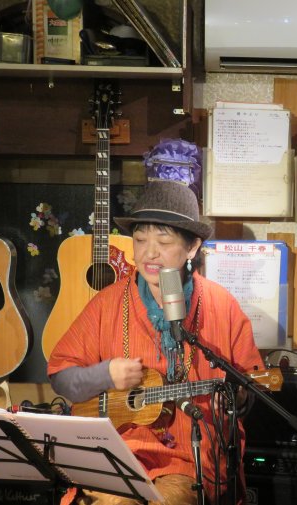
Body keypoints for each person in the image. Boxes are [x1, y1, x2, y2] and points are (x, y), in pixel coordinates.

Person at [47, 178, 265, 505]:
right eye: (140, 239)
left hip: (189, 459)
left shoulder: (221, 306)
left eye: (163, 240)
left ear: (192, 247)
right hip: (115, 453)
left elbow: (251, 383)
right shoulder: (107, 303)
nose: (149, 252)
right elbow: (61, 379)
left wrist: (236, 400)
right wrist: (104, 374)